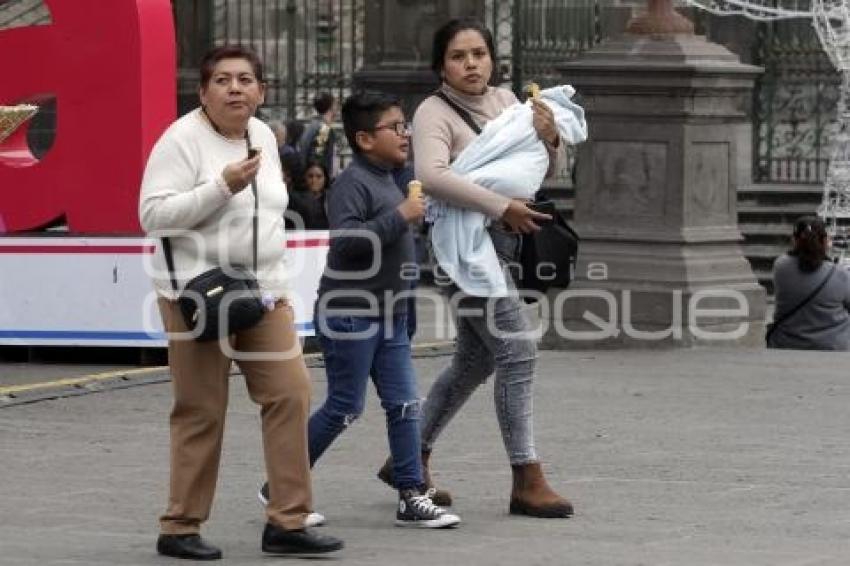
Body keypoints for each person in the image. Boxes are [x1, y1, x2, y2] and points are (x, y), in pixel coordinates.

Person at [139, 45, 343, 559]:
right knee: (201, 408)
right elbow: (153, 216)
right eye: (223, 80)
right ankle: (179, 526)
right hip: (199, 294)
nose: (235, 88)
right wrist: (219, 187)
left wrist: (279, 287)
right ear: (203, 91)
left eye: (246, 80)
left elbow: (269, 215)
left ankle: (288, 522)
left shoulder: (262, 137)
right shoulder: (181, 140)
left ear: (262, 91)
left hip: (261, 293)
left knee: (290, 393)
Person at [376, 18, 573, 518]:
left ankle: (408, 457)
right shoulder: (432, 112)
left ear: (492, 59)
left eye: (479, 54)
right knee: (519, 350)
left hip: (506, 242)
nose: (471, 64)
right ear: (441, 65)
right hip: (460, 249)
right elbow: (431, 176)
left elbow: (548, 170)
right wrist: (498, 205)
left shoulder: (510, 103)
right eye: (459, 56)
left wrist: (551, 139)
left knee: (474, 359)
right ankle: (526, 477)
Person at [260, 90, 461, 529]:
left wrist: (407, 314)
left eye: (405, 125)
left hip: (390, 315)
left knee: (406, 404)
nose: (405, 134)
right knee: (345, 407)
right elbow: (347, 242)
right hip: (350, 314)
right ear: (366, 139)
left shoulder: (394, 177)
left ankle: (412, 494)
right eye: (396, 127)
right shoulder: (353, 183)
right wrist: (401, 215)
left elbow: (401, 261)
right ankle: (280, 484)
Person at [768, 216, 850, 350]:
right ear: (825, 241)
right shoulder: (840, 274)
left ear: (794, 240)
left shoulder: (780, 266)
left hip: (785, 344)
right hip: (831, 346)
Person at [299, 92, 337, 177]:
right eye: (335, 104)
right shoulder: (323, 129)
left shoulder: (313, 125)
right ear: (331, 107)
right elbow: (318, 156)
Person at [286, 161, 330, 230]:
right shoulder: (293, 199)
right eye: (310, 176)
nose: (314, 180)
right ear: (304, 177)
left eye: (319, 176)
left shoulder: (332, 199)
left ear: (325, 179)